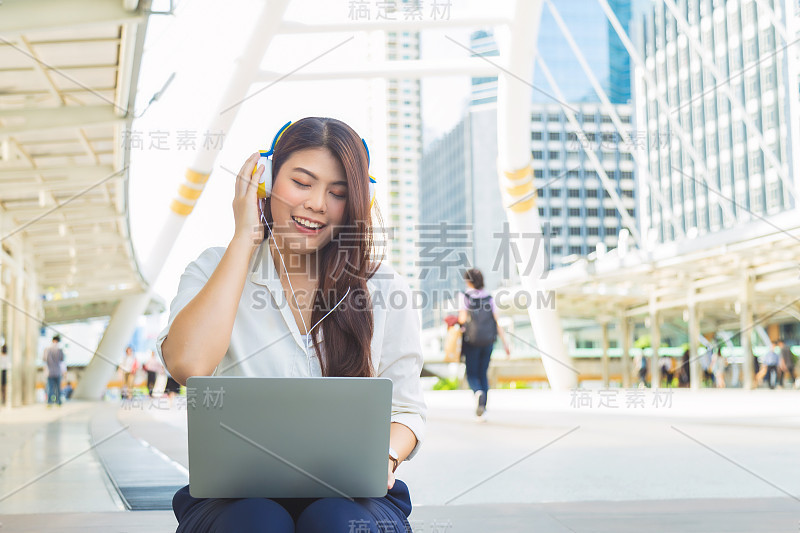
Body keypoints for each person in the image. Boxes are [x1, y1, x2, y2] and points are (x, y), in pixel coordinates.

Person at [158, 117, 426, 532]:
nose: (317, 203)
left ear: (357, 203)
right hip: (235, 499)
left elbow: (407, 410)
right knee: (256, 522)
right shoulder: (214, 268)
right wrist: (244, 238)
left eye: (337, 193)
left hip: (355, 497)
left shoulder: (383, 286)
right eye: (302, 183)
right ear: (265, 183)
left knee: (336, 521)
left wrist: (386, 457)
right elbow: (188, 364)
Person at [457, 268, 510, 421]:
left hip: (471, 340)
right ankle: (483, 409)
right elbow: (497, 322)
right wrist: (506, 344)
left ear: (469, 281)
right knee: (483, 373)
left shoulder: (465, 296)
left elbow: (462, 319)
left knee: (472, 373)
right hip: (488, 341)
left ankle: (477, 392)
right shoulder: (490, 298)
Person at [43, 335, 64, 407]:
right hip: (58, 371)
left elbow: (44, 359)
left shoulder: (47, 349)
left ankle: (49, 402)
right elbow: (62, 360)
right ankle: (58, 402)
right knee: (58, 388)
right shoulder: (60, 349)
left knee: (50, 387)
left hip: (50, 372)